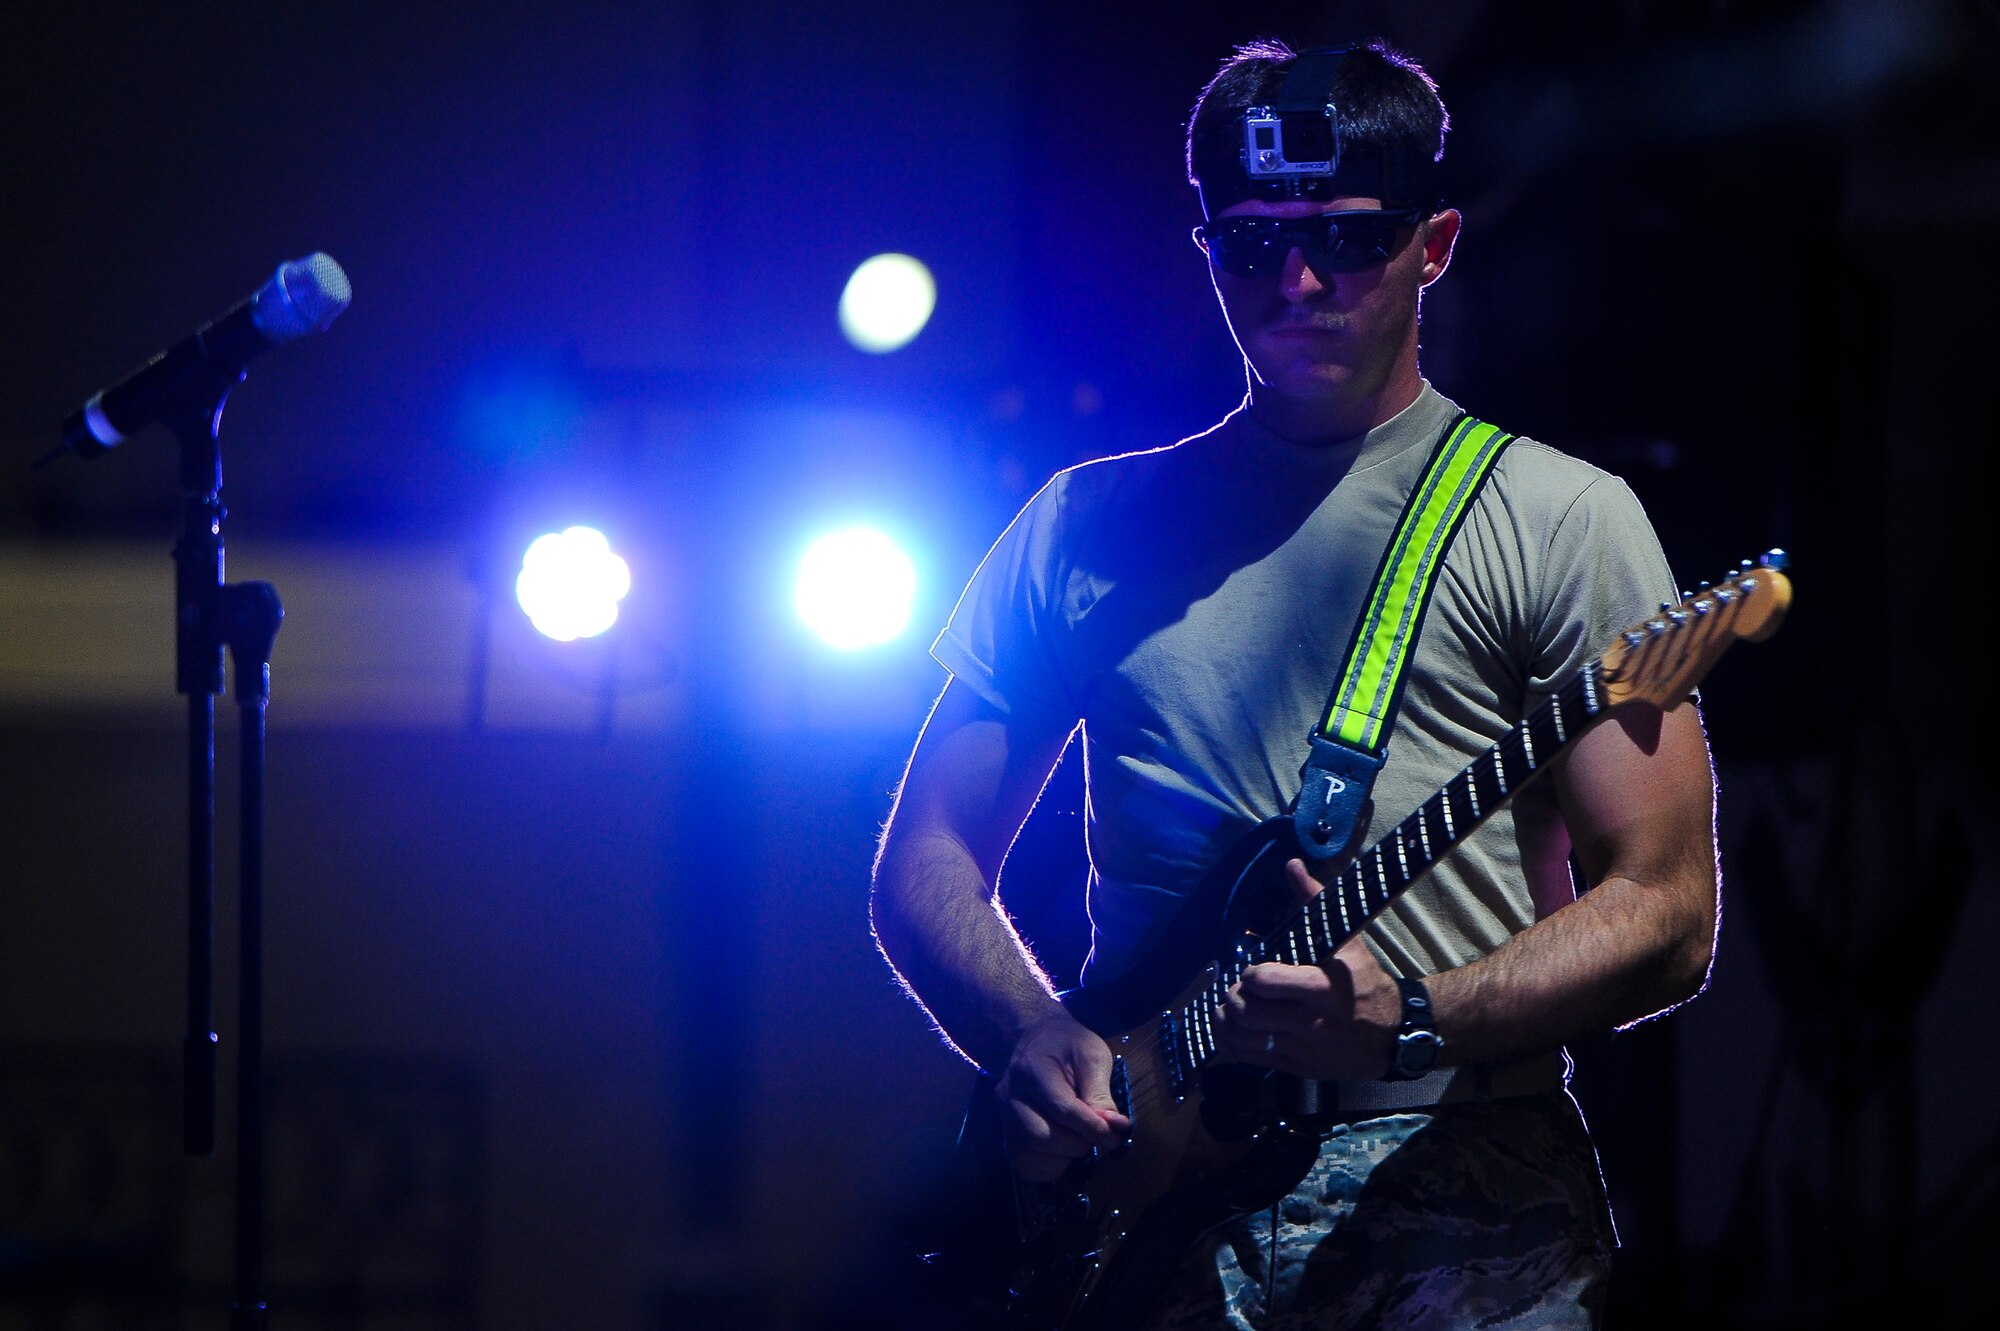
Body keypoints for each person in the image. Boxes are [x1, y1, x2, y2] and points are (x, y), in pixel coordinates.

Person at [869, 36, 1719, 1330]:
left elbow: (1667, 908)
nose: (1302, 280)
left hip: (1461, 1203)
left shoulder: (1562, 519)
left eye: (1349, 238)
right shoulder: (1079, 525)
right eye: (1257, 243)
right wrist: (1025, 1036)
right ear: (1204, 249)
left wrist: (1418, 1016)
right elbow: (925, 856)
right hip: (1144, 1207)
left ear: (1433, 246)